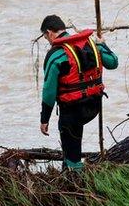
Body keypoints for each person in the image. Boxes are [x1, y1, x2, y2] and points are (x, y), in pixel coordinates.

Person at [39, 15, 119, 170]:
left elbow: (49, 91)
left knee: (72, 153)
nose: (48, 42)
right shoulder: (91, 44)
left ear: (49, 33)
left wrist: (44, 119)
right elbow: (113, 62)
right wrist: (103, 45)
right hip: (94, 104)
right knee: (72, 145)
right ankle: (71, 167)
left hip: (73, 110)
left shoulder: (56, 54)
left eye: (45, 37)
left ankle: (75, 181)